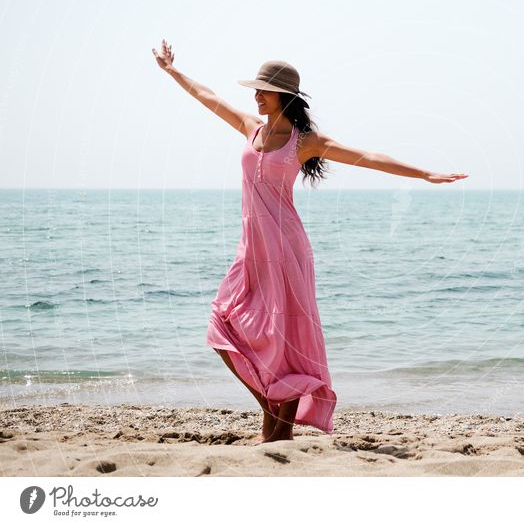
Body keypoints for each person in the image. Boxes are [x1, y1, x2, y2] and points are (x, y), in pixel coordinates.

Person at [151, 39, 469, 443]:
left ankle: (277, 427)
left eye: (262, 91)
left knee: (286, 336)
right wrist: (171, 70)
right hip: (251, 250)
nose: (255, 97)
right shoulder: (252, 127)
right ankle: (271, 404)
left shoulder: (305, 142)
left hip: (286, 250)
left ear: (282, 95)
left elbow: (368, 157)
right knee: (223, 324)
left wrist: (425, 174)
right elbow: (207, 96)